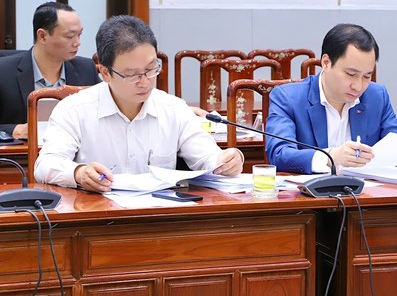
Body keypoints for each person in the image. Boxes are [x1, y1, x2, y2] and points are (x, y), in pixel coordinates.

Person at [34, 15, 243, 192]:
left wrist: (226, 160)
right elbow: (45, 164)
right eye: (132, 74)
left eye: (151, 69)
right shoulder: (73, 110)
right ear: (105, 72)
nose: (145, 82)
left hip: (159, 215)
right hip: (98, 215)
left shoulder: (173, 108)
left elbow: (208, 157)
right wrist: (79, 173)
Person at [265, 23, 397, 174]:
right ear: (326, 63)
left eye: (367, 76)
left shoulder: (376, 96)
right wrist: (332, 156)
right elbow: (279, 154)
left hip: (366, 196)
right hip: (310, 197)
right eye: (350, 74)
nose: (358, 86)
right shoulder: (288, 98)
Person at [0, 2, 99, 138]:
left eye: (79, 35)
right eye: (70, 36)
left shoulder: (86, 68)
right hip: (24, 150)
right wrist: (16, 130)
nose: (77, 42)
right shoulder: (3, 71)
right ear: (42, 36)